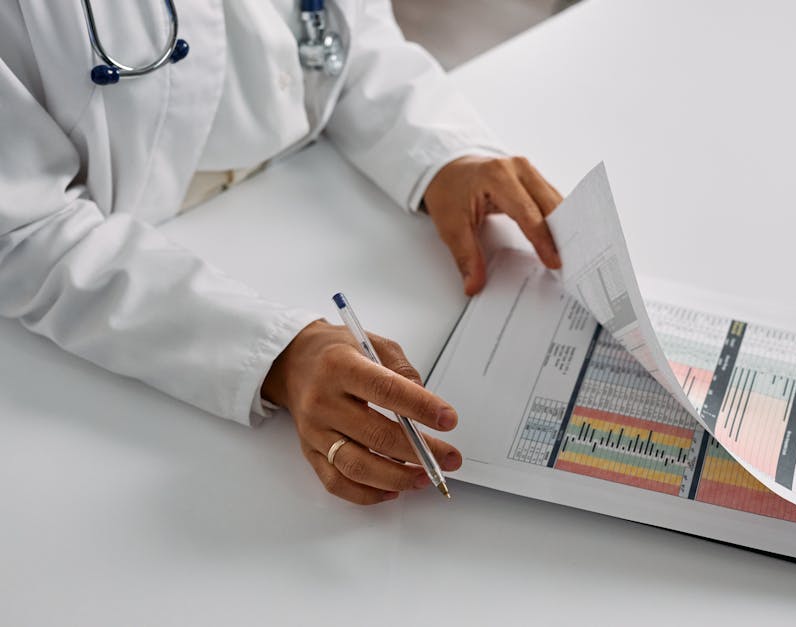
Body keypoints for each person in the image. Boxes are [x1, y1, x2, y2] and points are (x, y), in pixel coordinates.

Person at [0, 1, 562, 504]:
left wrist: (443, 155)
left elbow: (346, 36)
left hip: (307, 193)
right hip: (107, 321)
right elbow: (22, 228)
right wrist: (277, 354)